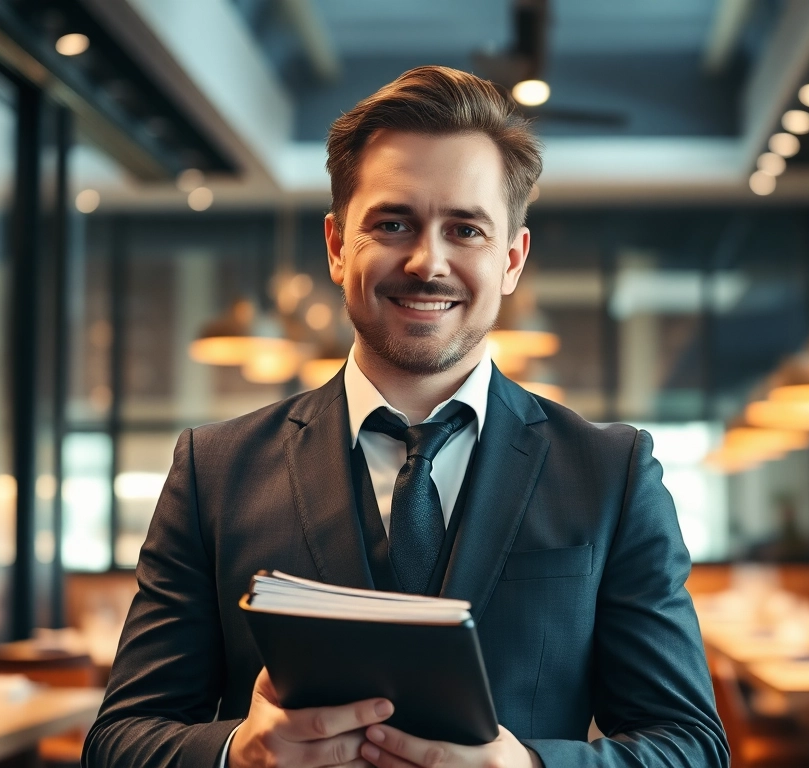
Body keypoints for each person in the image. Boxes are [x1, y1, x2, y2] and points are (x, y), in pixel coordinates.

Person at [84, 66, 726, 768]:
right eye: (393, 223)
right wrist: (240, 752)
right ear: (336, 247)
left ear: (512, 259)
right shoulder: (215, 469)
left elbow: (690, 746)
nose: (429, 262)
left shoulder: (613, 473)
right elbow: (120, 741)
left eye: (466, 230)